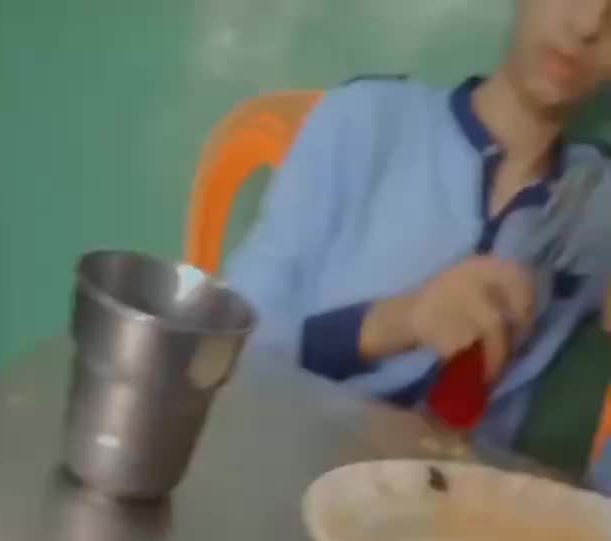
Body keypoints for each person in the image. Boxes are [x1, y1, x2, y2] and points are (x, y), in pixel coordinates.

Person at [225, 0, 611, 490]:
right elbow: (227, 348)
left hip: (465, 512)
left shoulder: (597, 204)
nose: (587, 26)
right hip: (294, 475)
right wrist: (399, 321)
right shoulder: (366, 121)